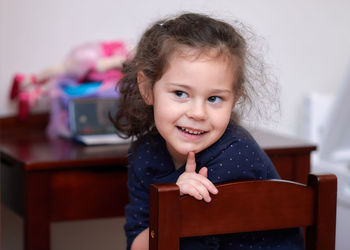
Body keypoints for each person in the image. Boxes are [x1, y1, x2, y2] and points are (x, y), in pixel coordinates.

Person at [112, 12, 304, 250]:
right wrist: (172, 202)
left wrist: (176, 206)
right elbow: (138, 244)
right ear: (147, 88)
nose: (198, 113)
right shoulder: (144, 154)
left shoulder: (235, 157)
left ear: (234, 100)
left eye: (214, 98)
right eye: (180, 94)